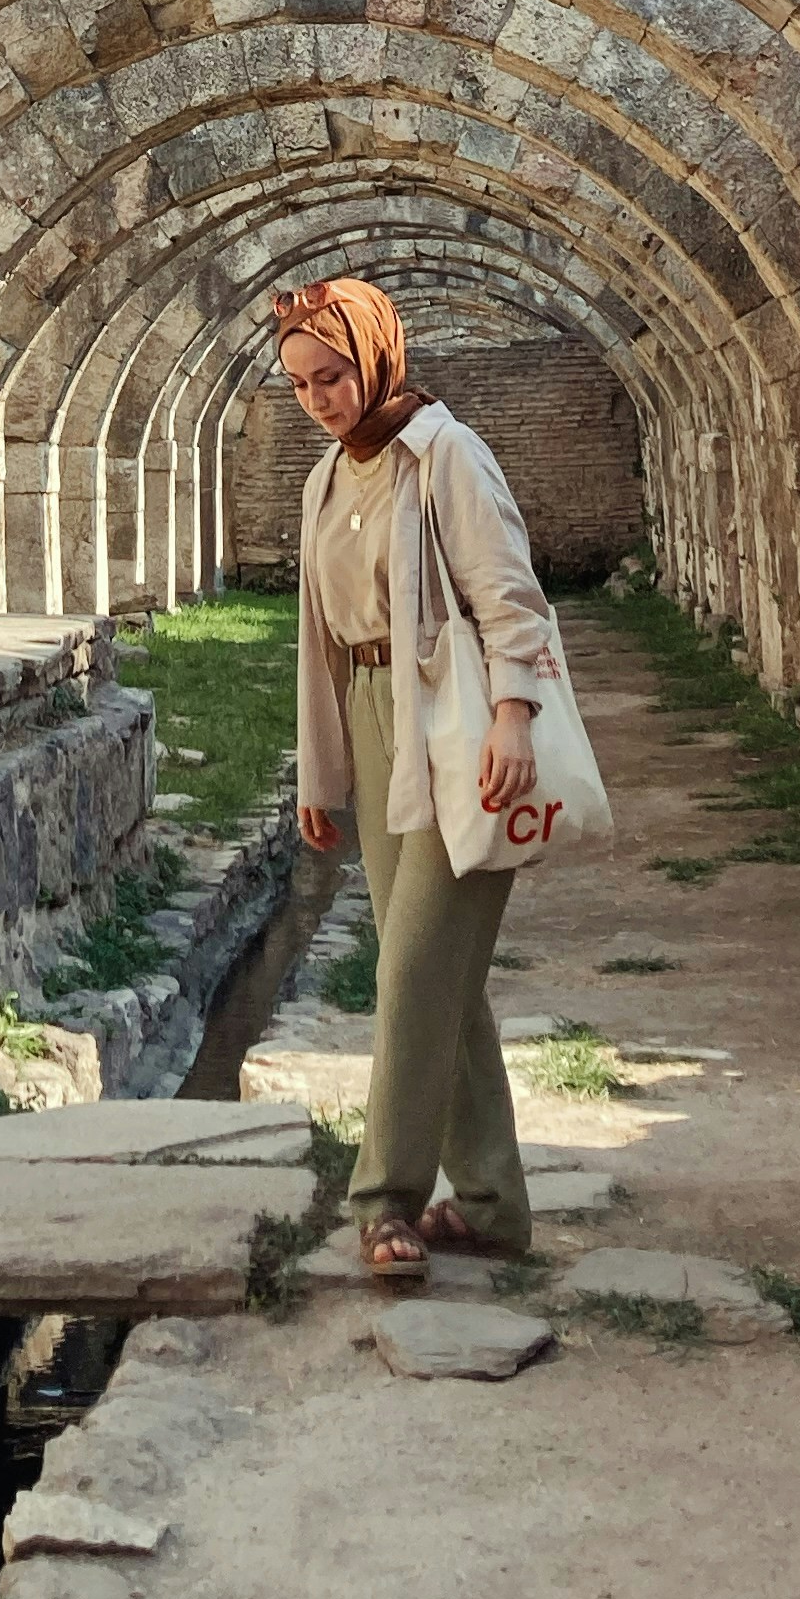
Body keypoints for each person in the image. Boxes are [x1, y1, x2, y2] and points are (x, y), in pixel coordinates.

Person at [283, 273, 562, 1283]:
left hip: (457, 724)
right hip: (373, 716)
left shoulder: (446, 454)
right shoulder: (326, 479)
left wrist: (515, 719)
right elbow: (320, 637)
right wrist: (324, 774)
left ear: (379, 354)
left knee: (408, 973)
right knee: (442, 976)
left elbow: (510, 599)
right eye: (304, 384)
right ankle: (490, 1204)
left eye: (335, 374)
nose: (322, 398)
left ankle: (385, 1200)